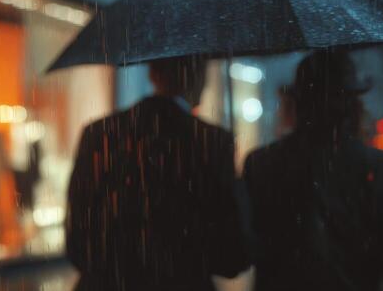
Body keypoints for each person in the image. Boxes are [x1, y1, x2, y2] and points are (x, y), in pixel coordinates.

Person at [243, 49, 383, 291]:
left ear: (300, 103)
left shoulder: (262, 162)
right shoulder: (373, 165)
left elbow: (246, 247)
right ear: (350, 106)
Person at [66, 56, 251, 290]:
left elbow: (78, 243)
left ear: (152, 73)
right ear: (198, 75)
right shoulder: (210, 141)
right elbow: (232, 255)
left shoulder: (99, 134)